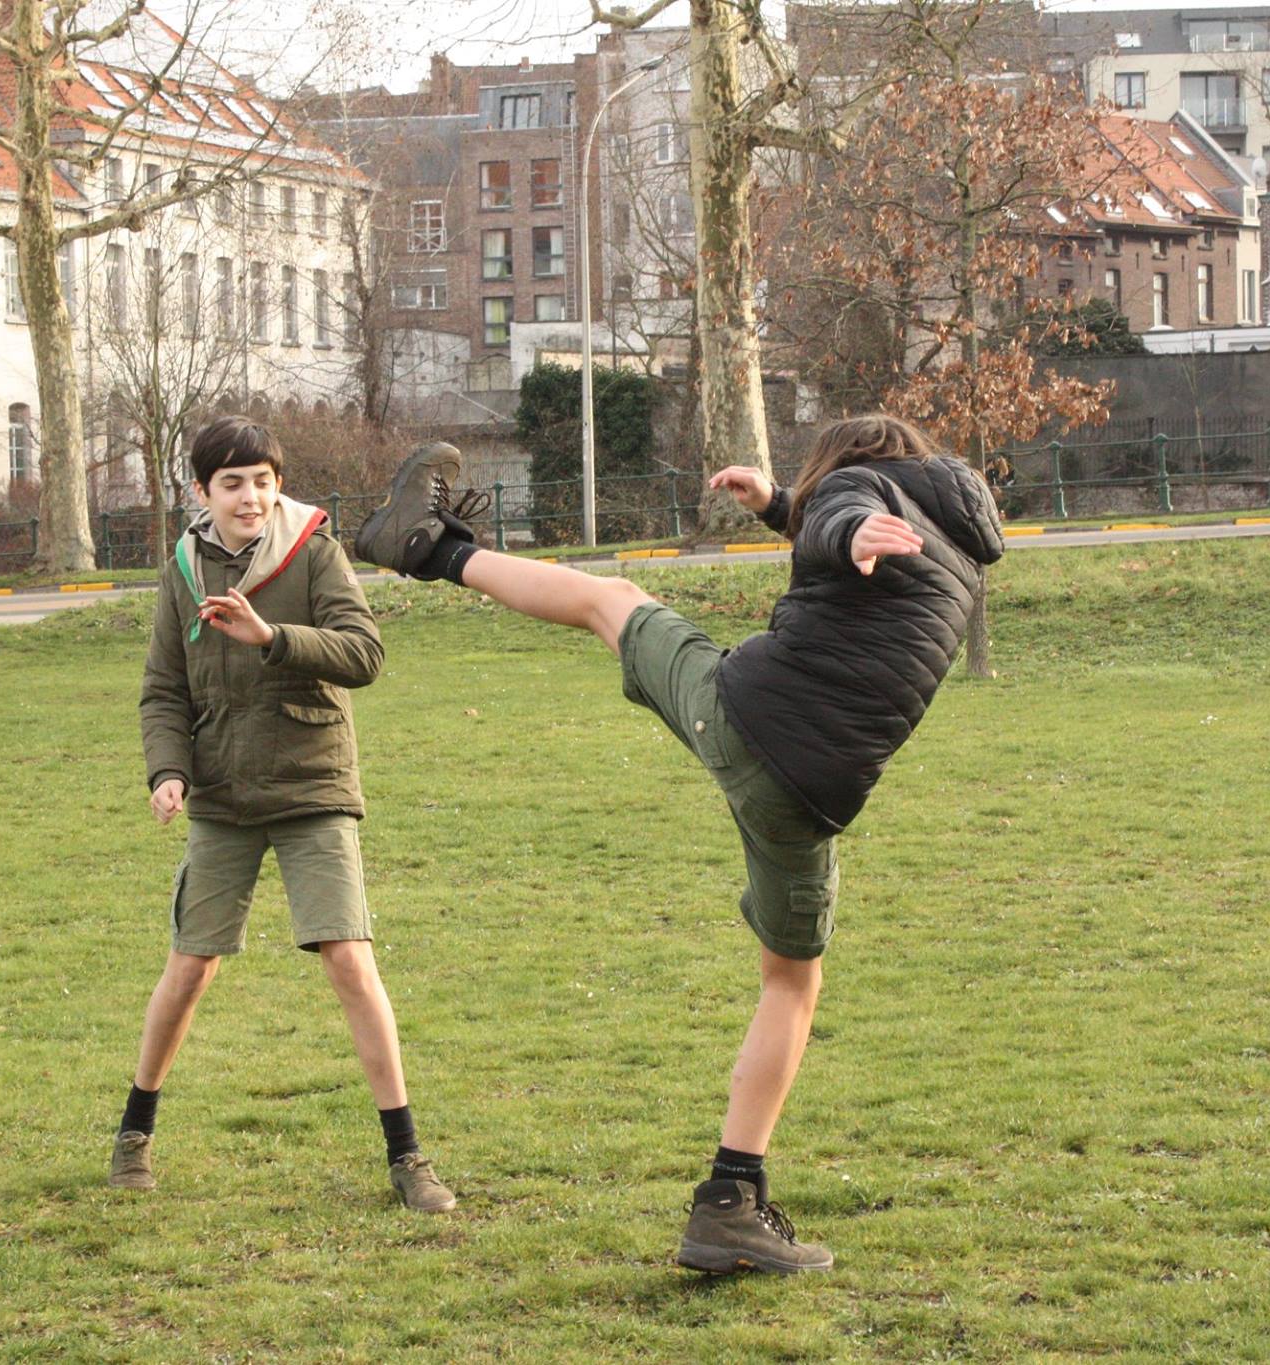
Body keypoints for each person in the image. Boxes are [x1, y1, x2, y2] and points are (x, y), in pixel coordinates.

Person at [353, 415, 1003, 1272]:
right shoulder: (957, 541)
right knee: (793, 983)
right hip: (814, 794)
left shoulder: (859, 492)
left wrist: (838, 528)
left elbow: (842, 522)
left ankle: (427, 546)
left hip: (748, 717)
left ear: (849, 462)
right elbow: (840, 533)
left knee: (610, 600)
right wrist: (782, 506)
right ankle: (729, 1200)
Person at [113, 415, 454, 1214]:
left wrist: (274, 636)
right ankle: (133, 1133)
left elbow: (364, 652)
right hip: (224, 796)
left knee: (348, 958)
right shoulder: (184, 569)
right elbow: (164, 689)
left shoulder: (314, 550)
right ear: (202, 492)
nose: (252, 496)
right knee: (191, 966)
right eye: (233, 482)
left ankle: (408, 1154)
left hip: (311, 785)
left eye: (263, 479)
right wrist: (168, 771)